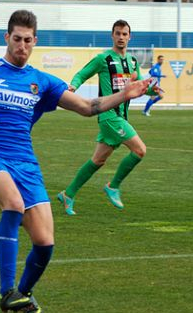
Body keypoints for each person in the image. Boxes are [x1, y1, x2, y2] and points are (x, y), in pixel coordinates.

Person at [0, 11, 148, 313]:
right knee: (13, 204)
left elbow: (87, 107)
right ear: (7, 38)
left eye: (28, 40)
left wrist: (125, 93)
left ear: (34, 41)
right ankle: (6, 291)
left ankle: (23, 295)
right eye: (16, 39)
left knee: (45, 242)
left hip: (26, 162)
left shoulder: (41, 81)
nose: (22, 46)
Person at [57, 19, 149, 215]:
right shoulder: (103, 58)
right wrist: (73, 86)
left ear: (129, 37)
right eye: (118, 33)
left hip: (121, 116)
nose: (121, 37)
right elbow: (83, 73)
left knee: (97, 161)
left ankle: (68, 194)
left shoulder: (133, 62)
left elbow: (140, 86)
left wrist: (153, 90)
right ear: (112, 35)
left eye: (125, 34)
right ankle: (113, 186)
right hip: (109, 116)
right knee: (140, 150)